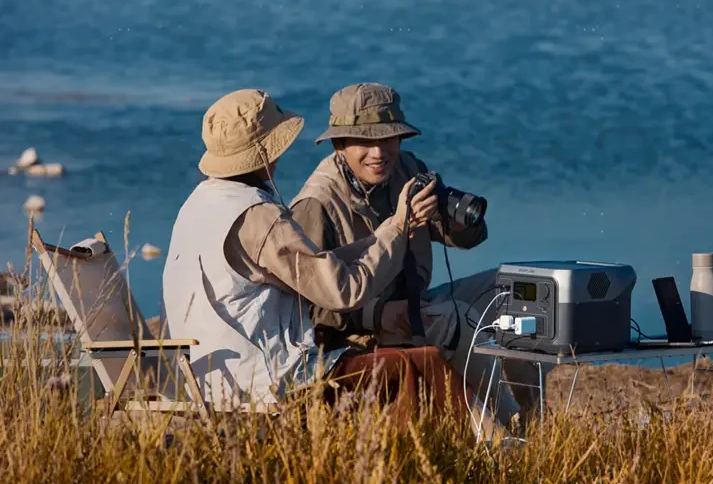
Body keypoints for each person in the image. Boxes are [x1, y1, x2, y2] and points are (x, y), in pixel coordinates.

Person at [161, 88, 480, 430]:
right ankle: (493, 454)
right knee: (420, 365)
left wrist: (390, 227)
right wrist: (399, 227)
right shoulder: (259, 215)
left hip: (209, 379)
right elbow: (342, 292)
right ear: (272, 148)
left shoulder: (201, 203)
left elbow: (317, 265)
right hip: (269, 385)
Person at [289, 82, 545, 425]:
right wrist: (378, 313)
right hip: (358, 328)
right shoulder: (317, 204)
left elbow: (469, 240)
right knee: (457, 318)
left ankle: (534, 415)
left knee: (518, 291)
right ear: (339, 144)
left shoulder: (408, 170)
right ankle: (506, 429)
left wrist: (455, 218)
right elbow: (306, 308)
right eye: (365, 141)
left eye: (388, 139)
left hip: (413, 304)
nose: (378, 153)